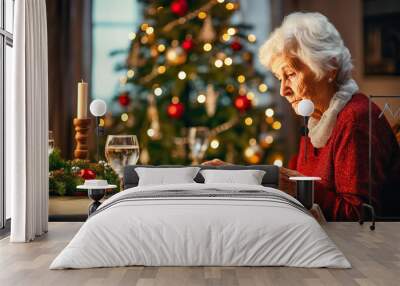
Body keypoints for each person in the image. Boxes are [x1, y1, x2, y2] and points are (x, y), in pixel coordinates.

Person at [203, 12, 400, 221]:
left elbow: (358, 216)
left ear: (330, 68)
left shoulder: (355, 119)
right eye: (280, 78)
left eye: (291, 75)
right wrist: (240, 176)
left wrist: (295, 187)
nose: (283, 90)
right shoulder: (316, 118)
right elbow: (296, 193)